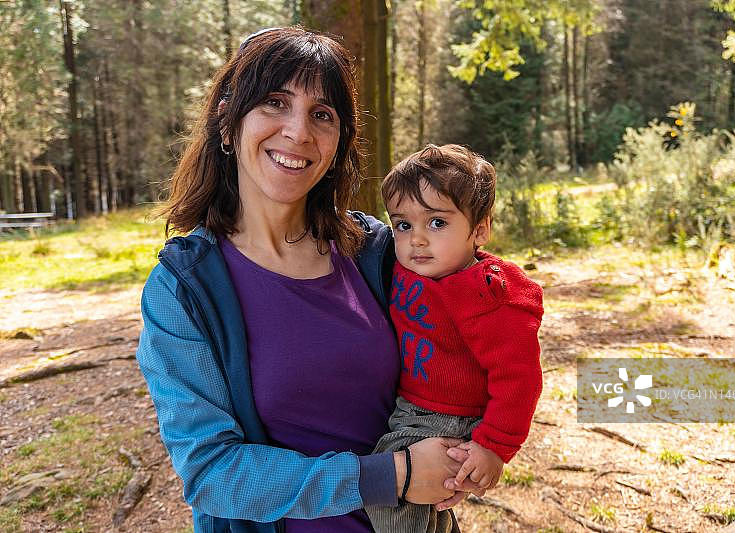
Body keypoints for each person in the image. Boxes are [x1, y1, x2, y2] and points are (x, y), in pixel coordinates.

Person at [135, 27, 481, 533]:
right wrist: (394, 476)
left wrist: (477, 443)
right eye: (275, 103)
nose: (298, 131)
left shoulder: (377, 252)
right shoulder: (186, 289)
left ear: (340, 140)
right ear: (228, 125)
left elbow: (483, 322)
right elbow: (211, 473)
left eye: (322, 114)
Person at [365, 144, 544, 533]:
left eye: (437, 223)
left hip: (446, 419)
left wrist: (494, 447)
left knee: (390, 498)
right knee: (427, 508)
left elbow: (519, 378)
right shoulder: (406, 268)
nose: (417, 240)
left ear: (479, 229)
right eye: (403, 225)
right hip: (408, 406)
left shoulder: (488, 295)